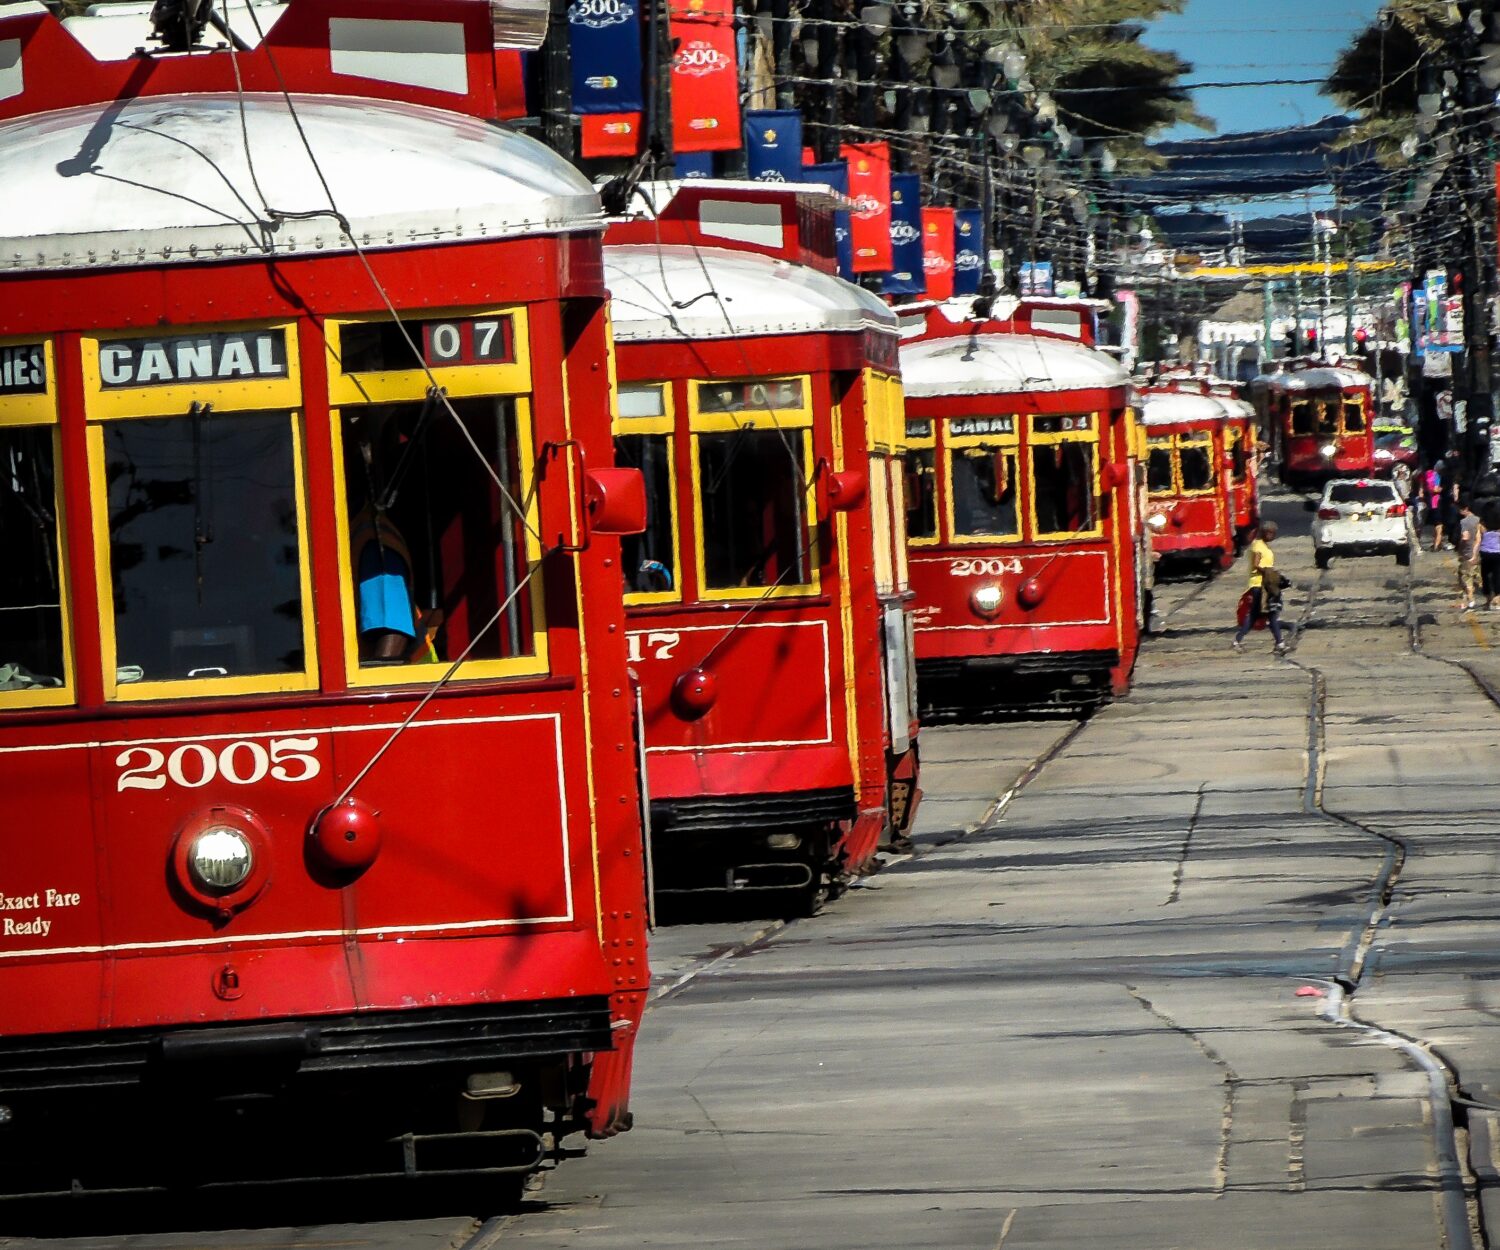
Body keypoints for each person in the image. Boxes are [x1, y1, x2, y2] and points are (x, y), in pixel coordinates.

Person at [1233, 521, 1288, 655]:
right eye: (1269, 532)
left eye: (1273, 533)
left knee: (1259, 615)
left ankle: (1238, 640)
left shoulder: (1264, 546)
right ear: (1263, 532)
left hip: (1265, 585)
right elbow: (1256, 564)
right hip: (1259, 585)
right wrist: (1268, 573)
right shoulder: (1258, 546)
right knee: (1270, 614)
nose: (1271, 535)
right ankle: (1279, 643)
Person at [1456, 497, 1481, 610]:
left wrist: (1460, 547)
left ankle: (1471, 601)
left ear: (1465, 509)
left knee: (1465, 578)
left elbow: (1465, 537)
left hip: (1467, 553)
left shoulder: (1464, 522)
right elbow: (1479, 538)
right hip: (1478, 553)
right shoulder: (1478, 520)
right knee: (1477, 577)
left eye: (1460, 509)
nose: (1459, 511)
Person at [1481, 499, 1500, 611]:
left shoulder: (1482, 525)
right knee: (1497, 576)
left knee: (1486, 576)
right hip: (1498, 553)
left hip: (1485, 552)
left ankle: (1489, 600)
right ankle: (1497, 600)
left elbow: (1478, 539)